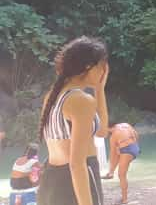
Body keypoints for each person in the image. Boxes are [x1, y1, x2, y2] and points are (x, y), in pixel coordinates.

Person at [36, 37, 110, 205]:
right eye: (102, 66)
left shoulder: (53, 96)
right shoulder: (81, 100)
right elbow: (76, 164)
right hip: (76, 182)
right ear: (88, 67)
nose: (104, 71)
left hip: (51, 180)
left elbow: (102, 131)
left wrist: (99, 89)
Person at [102, 122, 140, 203]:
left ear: (107, 128)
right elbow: (136, 135)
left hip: (127, 151)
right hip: (135, 147)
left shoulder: (113, 136)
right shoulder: (126, 124)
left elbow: (112, 154)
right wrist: (134, 146)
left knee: (121, 175)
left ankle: (124, 199)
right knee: (118, 151)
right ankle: (111, 173)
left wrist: (111, 163)